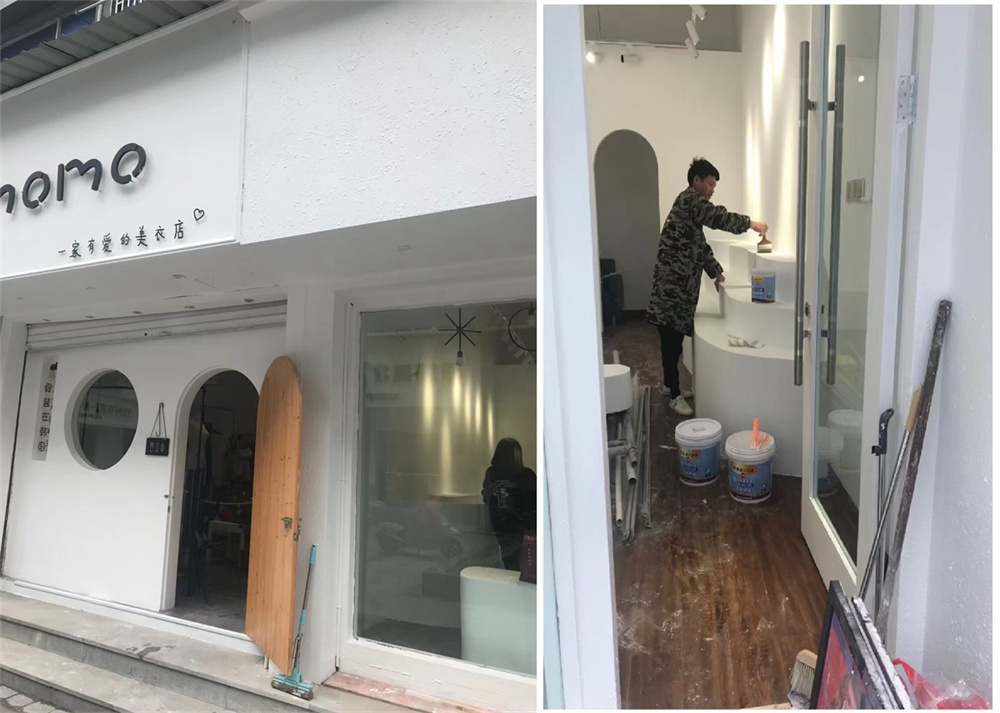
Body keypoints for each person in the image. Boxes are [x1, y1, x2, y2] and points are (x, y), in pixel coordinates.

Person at [647, 157, 769, 416]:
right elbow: (718, 217)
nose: (713, 189)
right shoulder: (691, 200)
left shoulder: (689, 206)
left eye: (715, 185)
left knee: (672, 342)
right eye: (710, 184)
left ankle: (671, 386)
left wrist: (716, 272)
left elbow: (699, 246)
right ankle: (674, 394)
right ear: (697, 181)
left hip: (676, 289)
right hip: (671, 289)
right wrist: (751, 223)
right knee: (671, 342)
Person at [481, 437, 536, 571]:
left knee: (508, 563)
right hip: (520, 527)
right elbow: (534, 501)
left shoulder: (492, 473)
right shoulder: (526, 475)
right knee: (524, 563)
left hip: (499, 525)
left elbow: (486, 496)